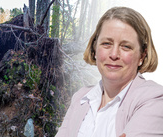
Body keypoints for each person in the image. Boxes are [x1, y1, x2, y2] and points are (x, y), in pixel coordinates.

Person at [55, 7, 163, 137]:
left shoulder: (154, 99)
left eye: (126, 46)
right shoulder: (81, 98)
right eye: (107, 43)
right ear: (95, 48)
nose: (114, 54)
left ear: (142, 55)